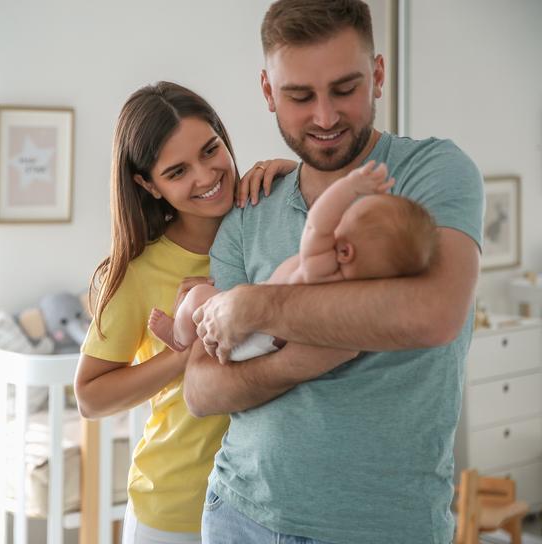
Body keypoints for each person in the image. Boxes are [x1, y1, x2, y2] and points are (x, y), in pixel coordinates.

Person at [182, 1, 484, 543]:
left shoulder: (431, 173)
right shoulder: (249, 209)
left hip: (382, 528)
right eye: (300, 96)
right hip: (238, 517)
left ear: (378, 76)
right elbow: (202, 390)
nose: (324, 117)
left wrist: (254, 306)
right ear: (269, 93)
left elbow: (432, 313)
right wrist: (305, 358)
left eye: (345, 89)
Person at [74, 81, 295, 544]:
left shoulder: (271, 216)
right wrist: (182, 353)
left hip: (275, 504)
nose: (205, 175)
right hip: (176, 508)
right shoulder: (139, 272)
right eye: (177, 172)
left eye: (210, 150)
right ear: (147, 185)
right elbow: (90, 397)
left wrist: (299, 179)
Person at [149, 160, 438, 362]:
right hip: (265, 338)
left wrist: (349, 186)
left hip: (249, 334)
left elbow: (317, 223)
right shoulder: (354, 289)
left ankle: (179, 337)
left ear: (347, 251)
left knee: (198, 295)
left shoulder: (323, 265)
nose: (338, 221)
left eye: (349, 217)